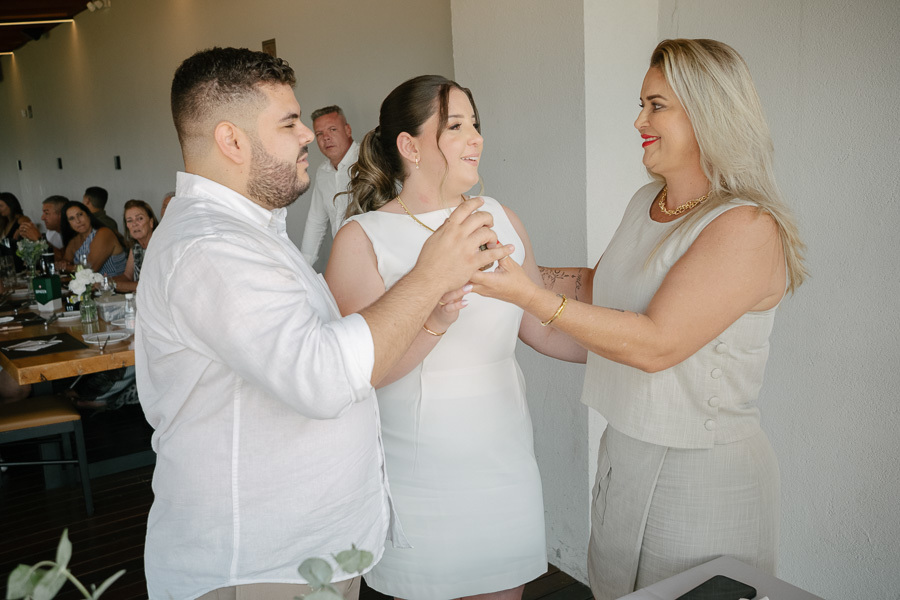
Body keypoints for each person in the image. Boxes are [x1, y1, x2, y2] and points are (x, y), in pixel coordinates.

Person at [136, 47, 511, 600]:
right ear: (231, 140)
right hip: (261, 565)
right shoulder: (212, 249)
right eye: (289, 122)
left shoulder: (249, 233)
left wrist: (431, 316)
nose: (308, 135)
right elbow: (322, 374)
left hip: (302, 553)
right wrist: (429, 274)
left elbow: (330, 351)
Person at [471, 39, 807, 599]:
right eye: (642, 104)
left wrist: (528, 297)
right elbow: (596, 296)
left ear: (707, 114)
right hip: (624, 455)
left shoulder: (745, 226)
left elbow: (655, 344)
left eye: (656, 106)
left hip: (703, 478)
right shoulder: (645, 202)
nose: (638, 121)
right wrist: (504, 259)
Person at [325, 75, 584, 600]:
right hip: (421, 476)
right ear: (409, 146)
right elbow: (359, 374)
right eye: (457, 126)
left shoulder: (502, 220)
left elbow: (541, 326)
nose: (477, 138)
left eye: (476, 125)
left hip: (505, 462)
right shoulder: (362, 239)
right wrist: (433, 319)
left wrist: (639, 346)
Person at [299, 105, 359, 266]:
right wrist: (303, 266)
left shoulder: (368, 160)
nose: (326, 137)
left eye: (332, 129)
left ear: (348, 130)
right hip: (344, 261)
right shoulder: (323, 172)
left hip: (378, 259)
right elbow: (316, 221)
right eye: (319, 133)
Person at [59, 200, 128, 276]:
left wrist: (67, 267)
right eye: (72, 218)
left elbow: (91, 268)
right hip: (91, 286)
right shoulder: (73, 242)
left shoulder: (104, 233)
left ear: (88, 215)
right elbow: (65, 264)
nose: (78, 221)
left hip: (113, 285)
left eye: (80, 215)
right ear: (68, 224)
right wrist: (63, 264)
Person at [111, 199, 158, 293]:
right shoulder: (136, 247)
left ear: (151, 222)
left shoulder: (159, 245)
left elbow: (151, 285)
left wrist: (112, 285)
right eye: (129, 220)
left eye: (140, 218)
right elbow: (127, 276)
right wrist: (104, 281)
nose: (134, 224)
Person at [18, 195, 67, 261]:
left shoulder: (75, 231)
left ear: (61, 214)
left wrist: (39, 239)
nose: (42, 218)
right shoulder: (51, 233)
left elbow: (63, 259)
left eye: (46, 213)